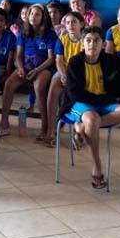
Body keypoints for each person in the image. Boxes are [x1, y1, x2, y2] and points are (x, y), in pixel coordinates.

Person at [61, 26, 120, 188]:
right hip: (81, 103)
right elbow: (76, 95)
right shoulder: (75, 62)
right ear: (82, 44)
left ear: (103, 44)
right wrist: (105, 99)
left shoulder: (108, 59)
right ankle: (96, 165)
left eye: (96, 40)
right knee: (92, 118)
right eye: (88, 40)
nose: (92, 44)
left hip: (104, 103)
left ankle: (82, 126)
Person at [0, 3, 56, 137]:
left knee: (39, 87)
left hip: (43, 67)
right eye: (31, 14)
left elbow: (51, 59)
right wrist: (20, 68)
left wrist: (37, 70)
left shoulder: (50, 34)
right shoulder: (23, 33)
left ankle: (44, 128)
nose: (33, 17)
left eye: (37, 14)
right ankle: (4, 122)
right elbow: (18, 56)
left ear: (43, 17)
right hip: (26, 66)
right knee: (8, 84)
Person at [43, 11, 84, 146]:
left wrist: (71, 77)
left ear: (81, 24)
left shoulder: (85, 40)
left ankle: (79, 132)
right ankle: (50, 129)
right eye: (67, 22)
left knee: (77, 94)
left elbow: (86, 62)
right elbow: (59, 61)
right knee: (53, 88)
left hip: (80, 73)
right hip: (64, 71)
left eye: (74, 22)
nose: (71, 25)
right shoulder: (62, 40)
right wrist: (63, 74)